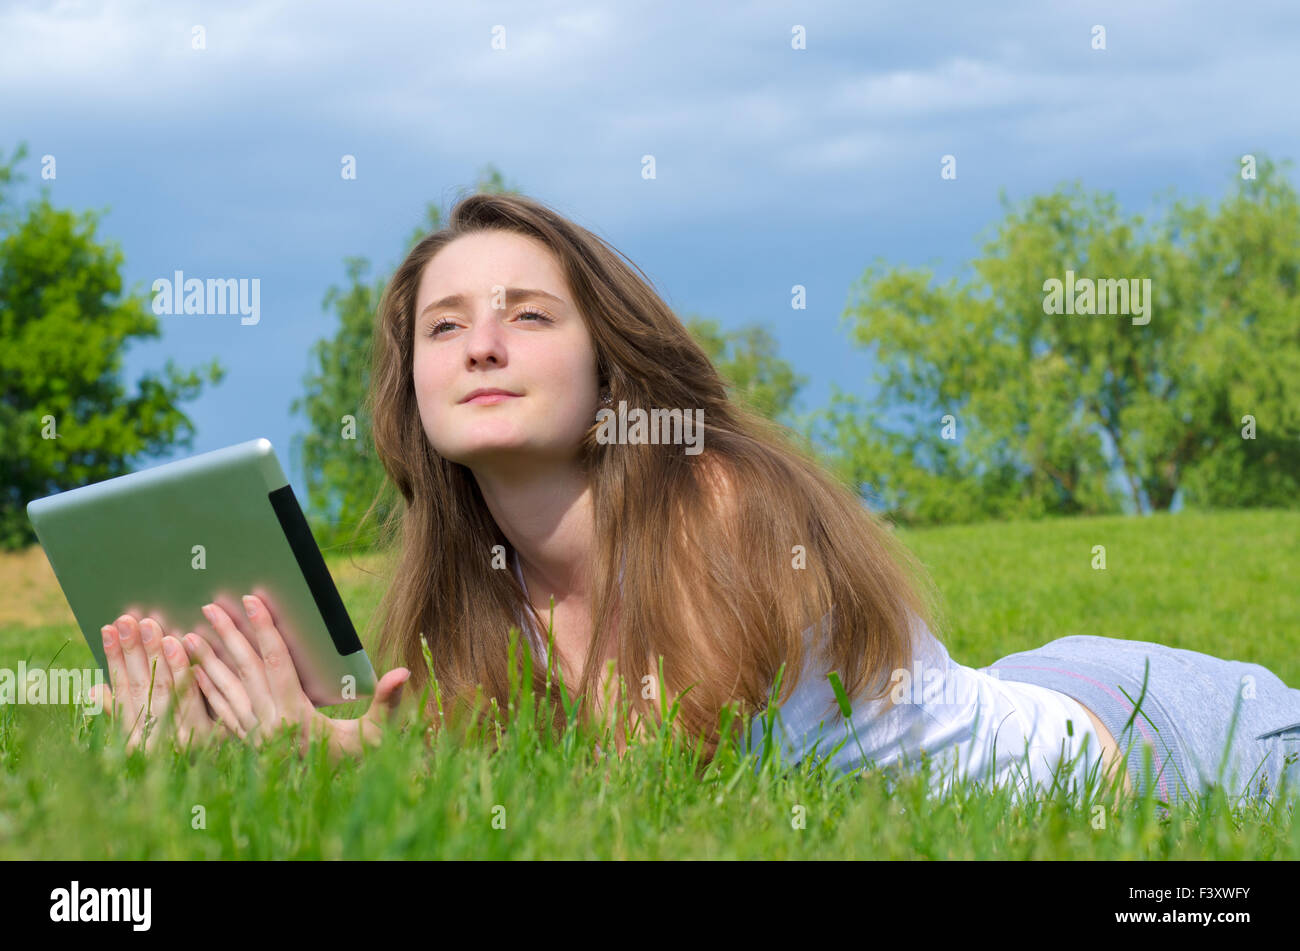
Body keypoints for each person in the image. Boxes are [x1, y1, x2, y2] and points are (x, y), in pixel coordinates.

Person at [93, 193, 1300, 812]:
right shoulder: (464, 594)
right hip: (1036, 681)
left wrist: (346, 759)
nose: (480, 345)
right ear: (411, 385)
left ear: (610, 361)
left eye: (528, 314)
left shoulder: (718, 502)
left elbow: (657, 785)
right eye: (443, 326)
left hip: (1163, 741)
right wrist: (203, 754)